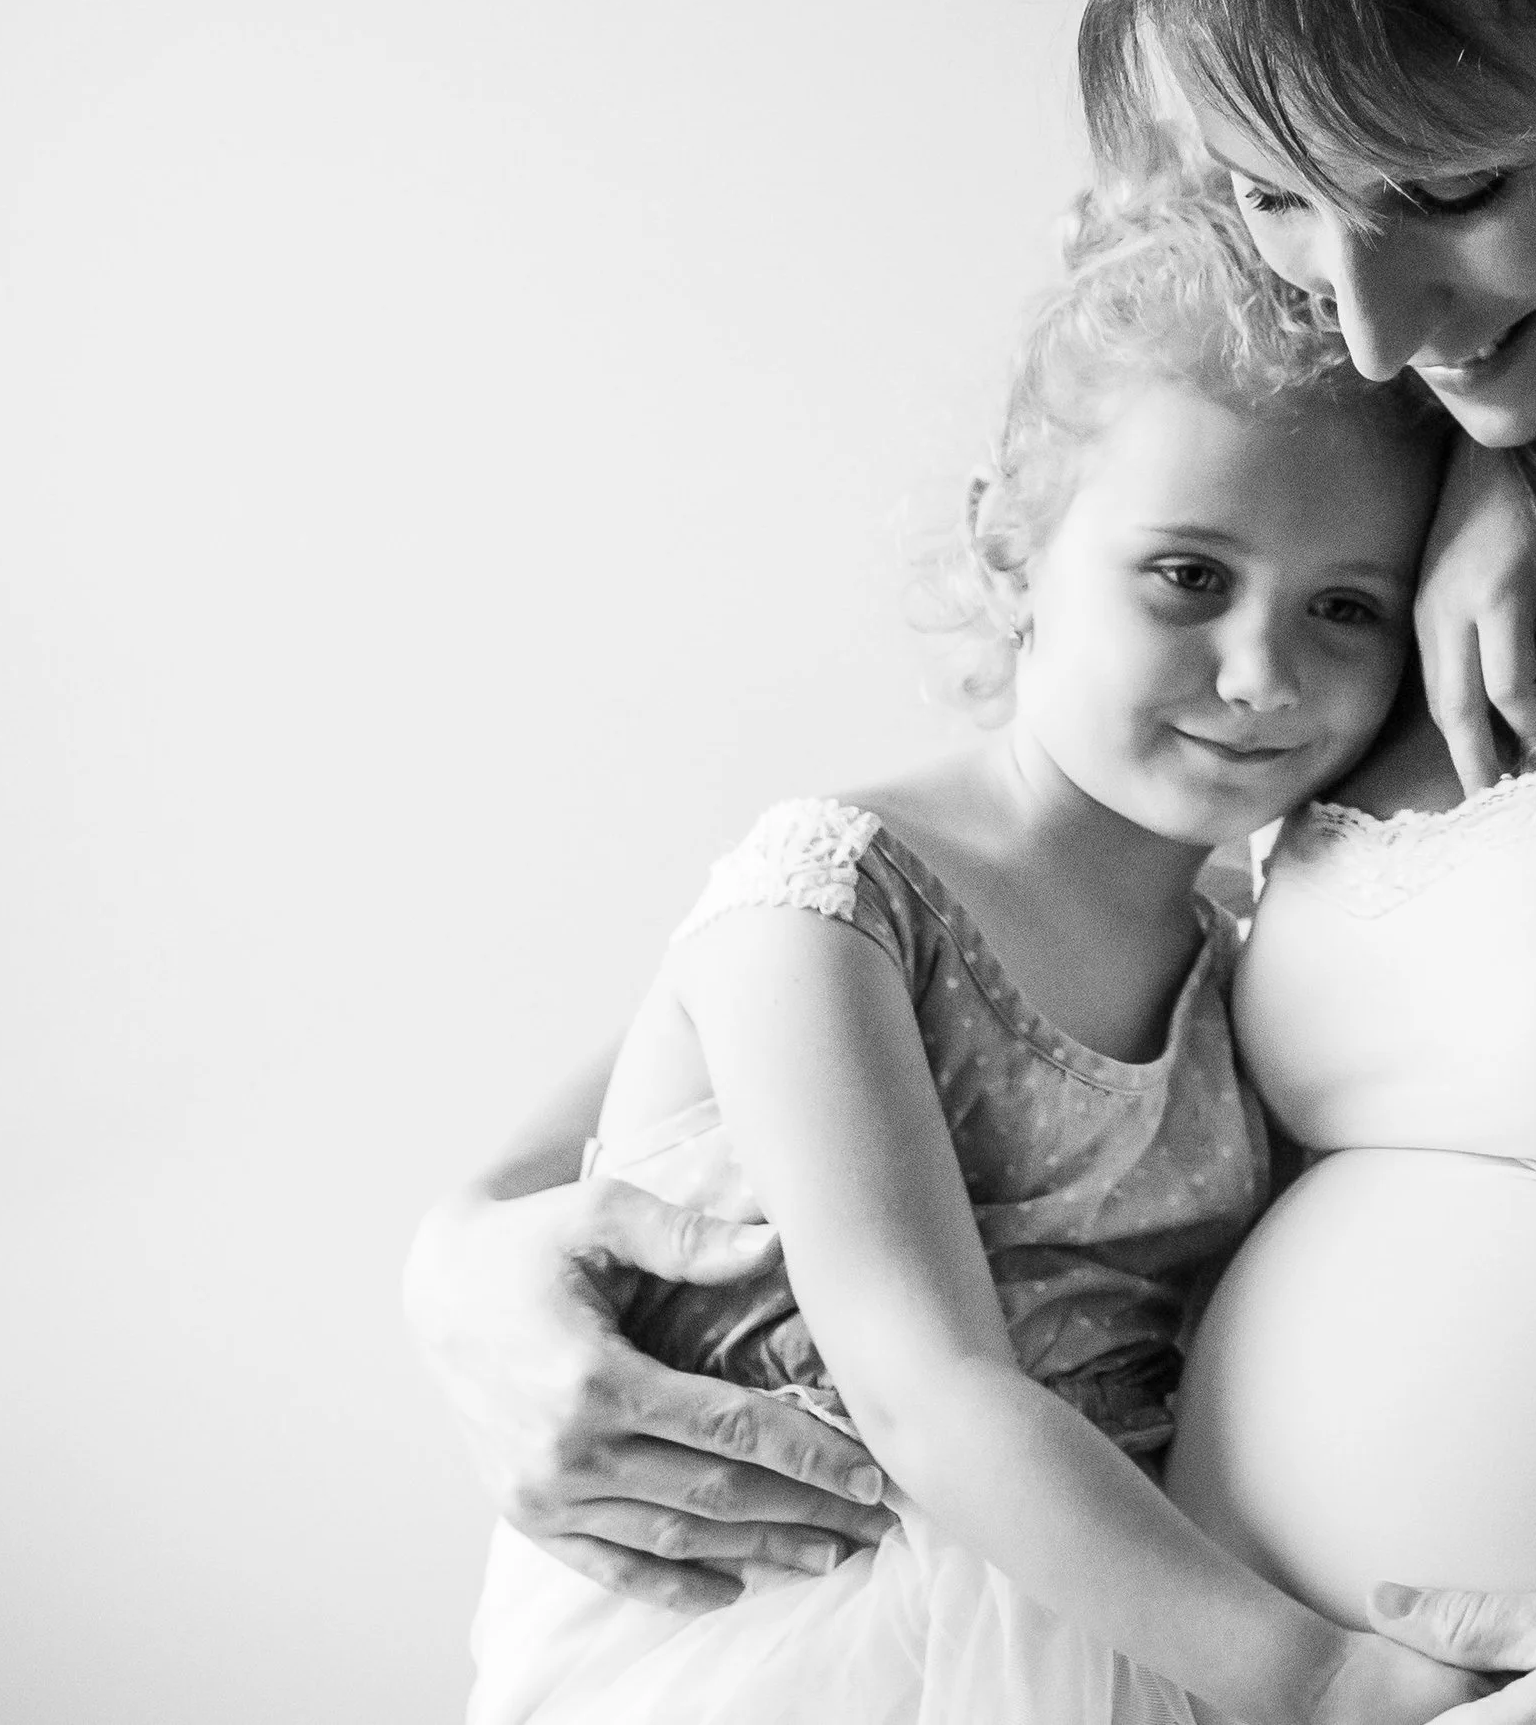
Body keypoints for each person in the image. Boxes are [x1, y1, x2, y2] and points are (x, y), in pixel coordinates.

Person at [407, 0, 1536, 1720]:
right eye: (1272, 195)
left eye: (1440, 186)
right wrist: (465, 1251)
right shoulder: (1405, 502)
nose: (1359, 326)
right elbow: (870, 938)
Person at [467, 183, 1473, 1725]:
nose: (1265, 670)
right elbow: (926, 1390)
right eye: (1189, 576)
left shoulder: (1248, 958)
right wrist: (1324, 1675)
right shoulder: (831, 898)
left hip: (1108, 1626)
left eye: (1347, 607)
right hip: (800, 1641)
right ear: (1013, 547)